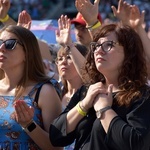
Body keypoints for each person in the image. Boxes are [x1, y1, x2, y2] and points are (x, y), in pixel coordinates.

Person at [49, 21, 150, 150]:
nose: (99, 51)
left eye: (108, 45)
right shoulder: (88, 90)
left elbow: (135, 144)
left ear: (129, 53)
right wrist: (83, 105)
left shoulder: (142, 95)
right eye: (96, 46)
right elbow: (56, 136)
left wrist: (104, 110)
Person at [0, 25, 63, 150]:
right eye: (0, 43)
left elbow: (57, 147)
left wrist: (29, 125)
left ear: (27, 52)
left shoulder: (44, 91)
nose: (1, 48)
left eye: (10, 44)